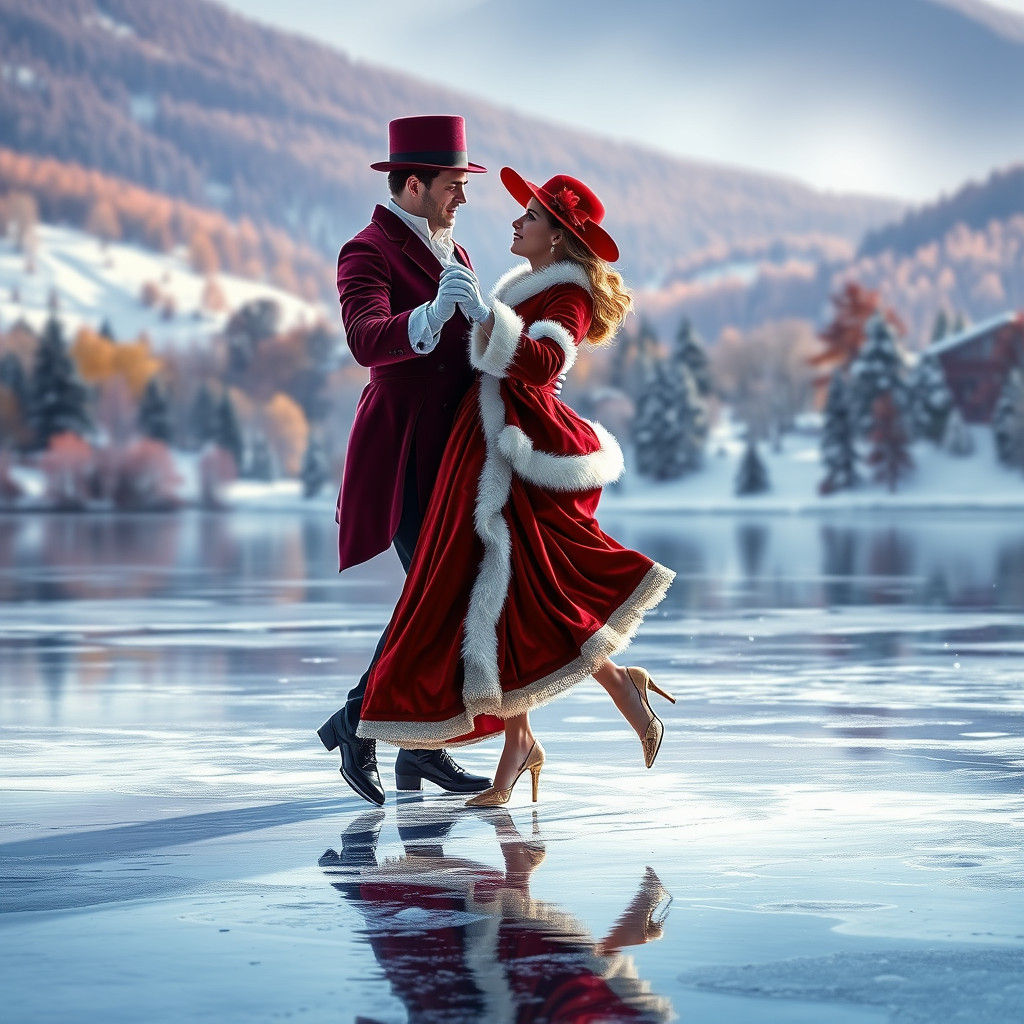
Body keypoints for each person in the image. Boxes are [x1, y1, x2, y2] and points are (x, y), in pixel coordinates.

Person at [356, 167, 677, 805]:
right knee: (503, 600)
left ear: (556, 237)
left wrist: (485, 315)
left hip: (511, 453)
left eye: (528, 217)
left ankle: (605, 696)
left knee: (523, 594)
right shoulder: (527, 284)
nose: (514, 222)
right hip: (477, 451)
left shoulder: (569, 295)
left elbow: (540, 365)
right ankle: (527, 740)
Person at [317, 115, 495, 806]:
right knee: (441, 594)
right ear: (414, 184)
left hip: (454, 453)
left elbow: (470, 357)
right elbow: (365, 338)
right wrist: (426, 316)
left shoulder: (461, 255)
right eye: (455, 184)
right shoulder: (364, 249)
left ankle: (418, 748)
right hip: (402, 454)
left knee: (454, 595)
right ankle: (359, 724)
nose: (464, 197)